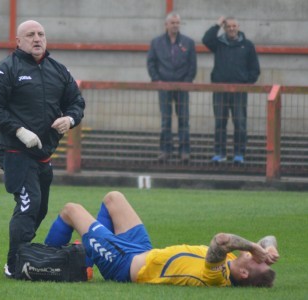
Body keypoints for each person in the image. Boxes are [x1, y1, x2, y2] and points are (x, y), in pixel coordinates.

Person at [0, 20, 85, 278]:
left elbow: (76, 102)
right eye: (30, 35)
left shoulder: (58, 70)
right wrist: (19, 131)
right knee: (29, 205)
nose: (37, 38)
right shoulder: (5, 70)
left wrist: (70, 119)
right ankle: (14, 264)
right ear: (18, 41)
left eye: (41, 34)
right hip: (15, 152)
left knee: (40, 209)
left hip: (44, 152)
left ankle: (26, 255)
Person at [45, 191, 279, 287]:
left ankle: (42, 263)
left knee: (71, 210)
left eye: (256, 258)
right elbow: (269, 237)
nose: (253, 253)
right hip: (143, 250)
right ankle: (87, 263)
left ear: (244, 274)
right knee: (113, 198)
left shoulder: (218, 275)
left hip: (125, 265)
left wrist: (250, 246)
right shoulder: (231, 260)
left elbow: (220, 240)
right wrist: (269, 248)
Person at [202, 16, 260, 164]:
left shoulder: (247, 45)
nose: (231, 29)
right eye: (228, 26)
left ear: (238, 27)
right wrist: (217, 24)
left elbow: (255, 69)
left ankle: (239, 154)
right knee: (220, 123)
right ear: (225, 28)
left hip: (239, 92)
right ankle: (220, 153)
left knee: (240, 123)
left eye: (234, 26)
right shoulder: (218, 44)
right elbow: (206, 40)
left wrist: (245, 82)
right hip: (220, 90)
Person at [147, 12, 197, 163]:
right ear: (166, 25)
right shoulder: (156, 43)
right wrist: (157, 81)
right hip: (164, 87)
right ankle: (165, 150)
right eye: (173, 23)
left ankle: (184, 151)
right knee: (165, 120)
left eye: (177, 23)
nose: (175, 25)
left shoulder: (188, 42)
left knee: (184, 119)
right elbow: (151, 63)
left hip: (182, 88)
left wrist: (186, 82)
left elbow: (192, 65)